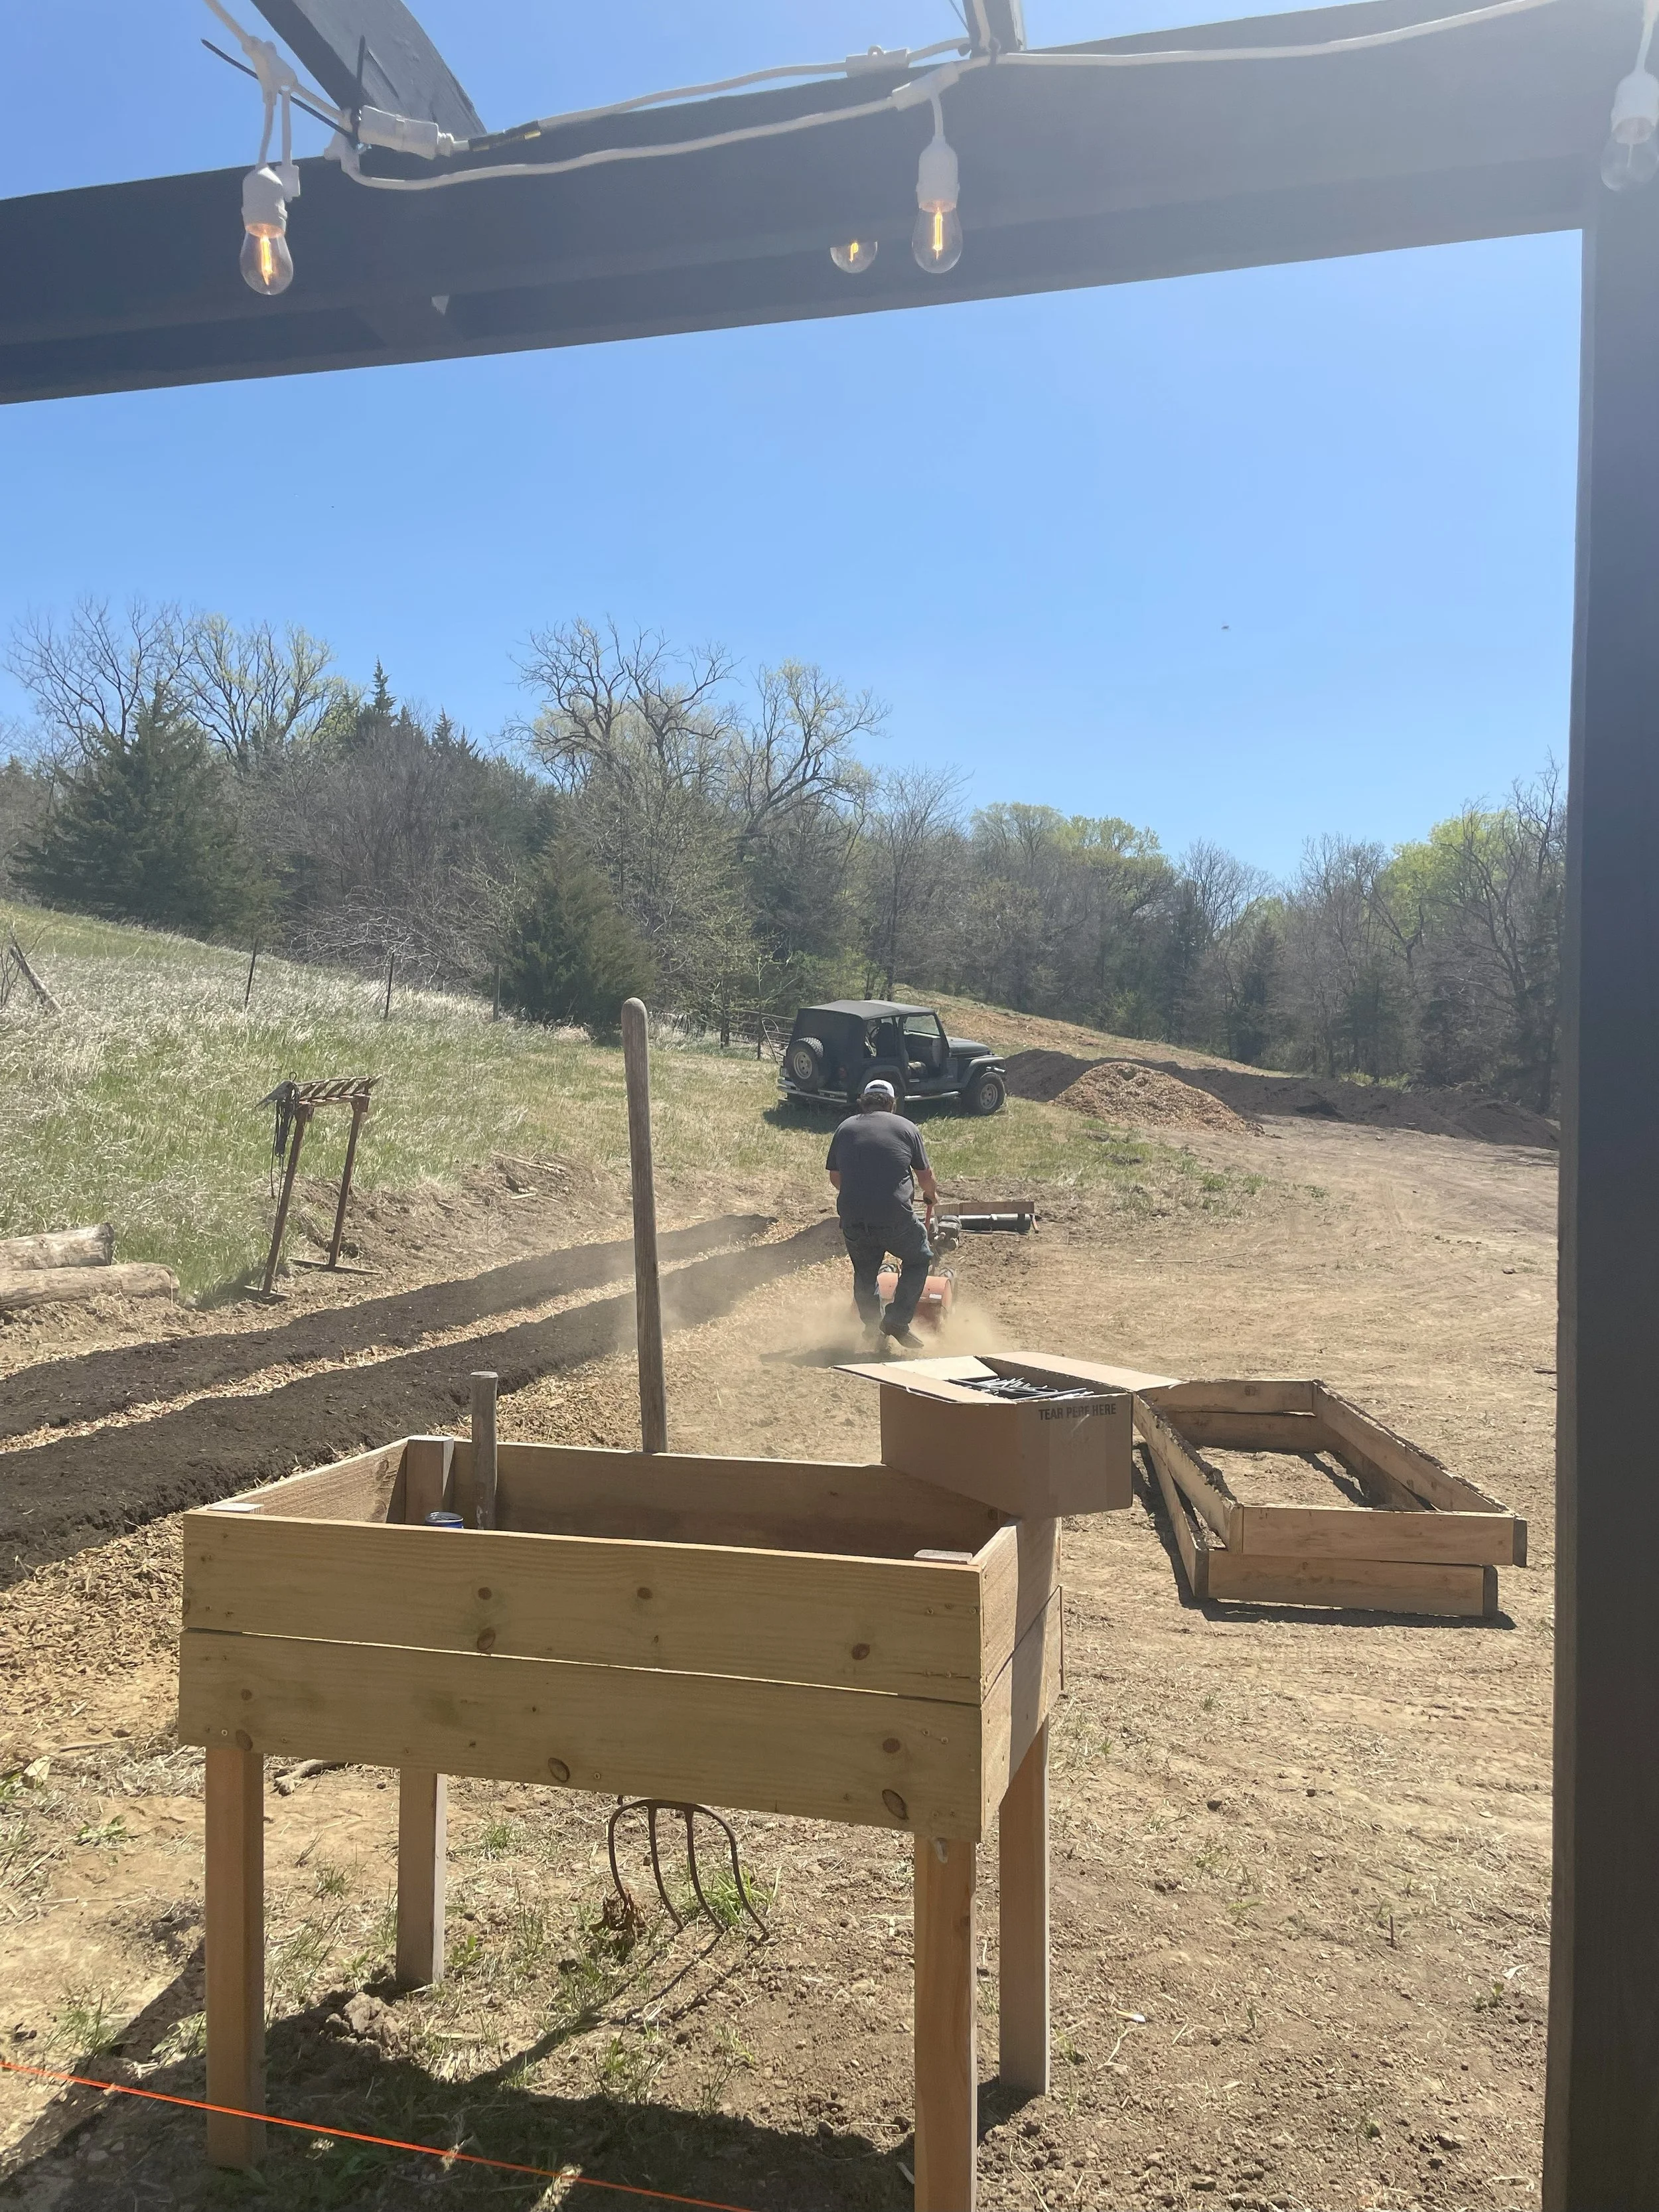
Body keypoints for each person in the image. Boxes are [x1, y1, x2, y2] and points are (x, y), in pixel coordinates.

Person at [826, 1077, 939, 1347]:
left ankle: (872, 1328)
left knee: (864, 1272)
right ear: (891, 1103)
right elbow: (925, 1175)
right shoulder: (906, 1127)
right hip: (894, 1217)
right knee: (920, 1257)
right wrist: (931, 1195)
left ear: (864, 1101)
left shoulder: (845, 1128)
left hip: (853, 1217)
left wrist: (858, 1195)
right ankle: (897, 1321)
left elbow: (835, 1176)